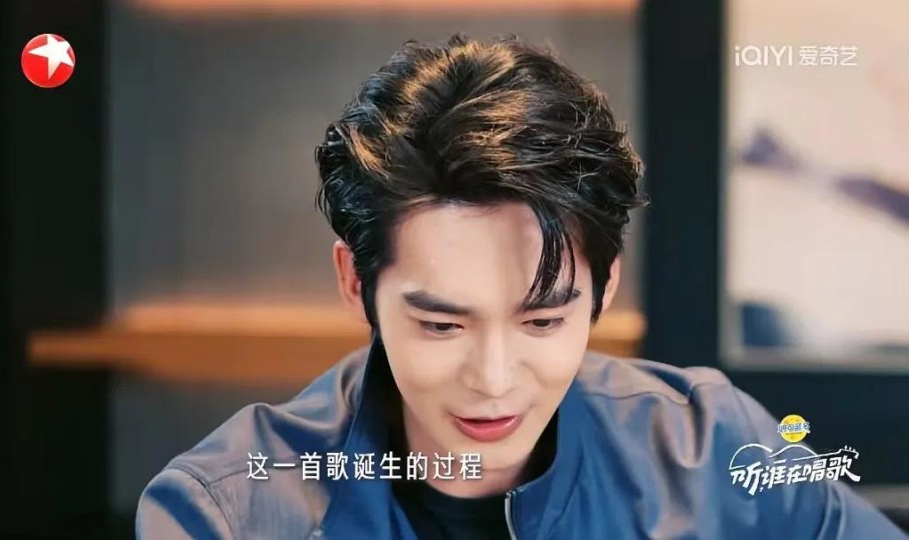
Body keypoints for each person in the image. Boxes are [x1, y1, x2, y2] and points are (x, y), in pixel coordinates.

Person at [135, 34, 905, 539]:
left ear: (604, 289)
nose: (494, 381)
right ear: (354, 282)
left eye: (542, 322)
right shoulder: (228, 512)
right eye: (442, 325)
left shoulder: (713, 453)